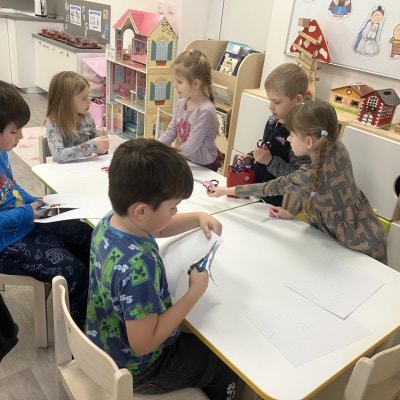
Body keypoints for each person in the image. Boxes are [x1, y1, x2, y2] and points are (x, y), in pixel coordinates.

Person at [86, 139, 237, 399]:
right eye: (172, 207)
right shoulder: (138, 266)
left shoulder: (111, 221)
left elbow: (158, 228)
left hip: (103, 342)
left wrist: (198, 217)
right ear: (141, 211)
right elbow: (144, 344)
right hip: (139, 369)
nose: (175, 212)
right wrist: (194, 293)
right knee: (223, 362)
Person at [208, 100, 387, 264]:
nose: (288, 139)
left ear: (309, 141)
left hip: (357, 244)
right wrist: (293, 211)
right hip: (367, 227)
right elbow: (316, 189)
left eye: (292, 135)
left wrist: (226, 191)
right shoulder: (337, 147)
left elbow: (271, 187)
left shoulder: (311, 172)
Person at [0, 80, 92, 326]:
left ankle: (94, 303)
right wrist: (26, 212)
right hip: (6, 245)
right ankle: (78, 332)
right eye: (14, 131)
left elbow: (11, 188)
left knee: (86, 233)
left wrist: (34, 201)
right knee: (74, 270)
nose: (21, 136)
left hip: (23, 224)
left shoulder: (2, 154)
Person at [238, 63, 310, 206]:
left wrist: (270, 161)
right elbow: (268, 147)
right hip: (257, 189)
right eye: (270, 100)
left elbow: (297, 177)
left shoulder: (299, 134)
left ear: (298, 99)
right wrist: (252, 156)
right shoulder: (273, 120)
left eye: (276, 102)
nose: (270, 107)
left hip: (275, 202)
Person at [158, 49, 222, 171]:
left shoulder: (205, 111)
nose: (175, 85)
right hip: (189, 159)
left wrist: (168, 155)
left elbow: (191, 145)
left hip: (205, 165)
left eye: (179, 82)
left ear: (196, 84)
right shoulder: (181, 104)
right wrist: (153, 147)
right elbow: (171, 132)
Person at [46, 71, 109, 163]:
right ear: (67, 102)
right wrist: (93, 145)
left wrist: (101, 149)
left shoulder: (87, 119)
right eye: (84, 98)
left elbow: (96, 146)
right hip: (64, 169)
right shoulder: (54, 124)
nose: (89, 101)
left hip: (85, 167)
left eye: (88, 96)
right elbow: (58, 155)